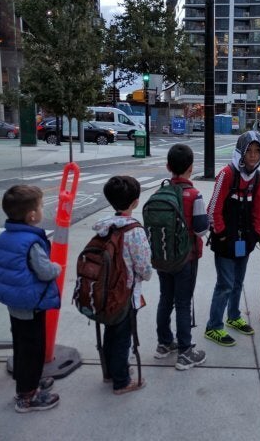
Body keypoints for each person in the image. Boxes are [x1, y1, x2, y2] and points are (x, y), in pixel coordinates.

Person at [0, 185, 62, 413]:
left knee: (21, 346)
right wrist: (57, 268)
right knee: (33, 349)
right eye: (41, 206)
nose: (42, 210)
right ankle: (27, 396)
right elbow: (45, 271)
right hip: (31, 305)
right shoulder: (31, 242)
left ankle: (27, 380)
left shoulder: (6, 236)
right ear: (32, 215)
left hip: (15, 304)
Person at [204, 131, 260, 346]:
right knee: (225, 284)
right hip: (225, 241)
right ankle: (213, 326)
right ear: (241, 151)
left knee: (238, 282)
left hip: (244, 242)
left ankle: (233, 316)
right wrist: (221, 235)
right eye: (249, 150)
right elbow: (213, 209)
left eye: (257, 151)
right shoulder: (227, 174)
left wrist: (255, 235)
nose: (253, 155)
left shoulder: (258, 179)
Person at [93, 175, 152, 394]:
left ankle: (110, 371)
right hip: (125, 294)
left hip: (105, 291)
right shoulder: (134, 230)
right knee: (122, 337)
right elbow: (144, 268)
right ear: (136, 201)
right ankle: (121, 380)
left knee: (111, 331)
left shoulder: (105, 226)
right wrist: (146, 275)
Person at [154, 144, 210, 370]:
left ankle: (164, 343)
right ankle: (186, 352)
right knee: (183, 302)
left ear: (168, 167)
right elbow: (200, 229)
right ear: (191, 168)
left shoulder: (160, 193)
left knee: (165, 298)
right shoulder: (194, 195)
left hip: (163, 256)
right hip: (186, 257)